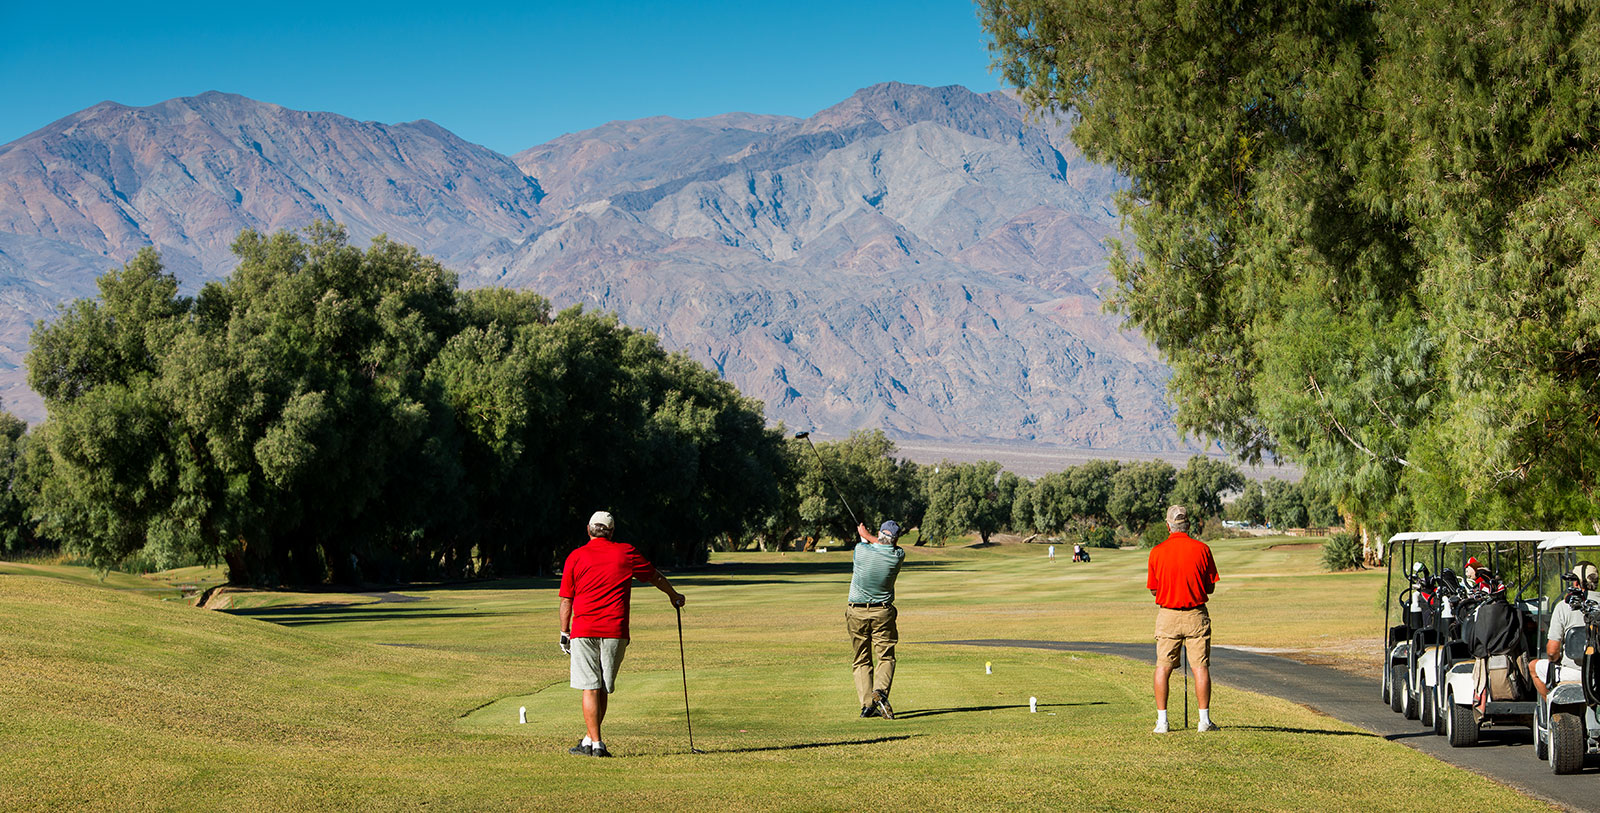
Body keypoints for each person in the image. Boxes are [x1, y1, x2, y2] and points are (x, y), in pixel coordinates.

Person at [558, 510, 686, 757]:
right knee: (601, 687)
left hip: (583, 630)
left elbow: (566, 599)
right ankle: (591, 741)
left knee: (591, 687)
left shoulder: (576, 556)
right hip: (615, 631)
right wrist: (673, 595)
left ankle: (596, 744)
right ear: (612, 531)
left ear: (588, 530)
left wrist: (564, 632)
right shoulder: (626, 552)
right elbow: (654, 577)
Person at [1146, 505, 1220, 733]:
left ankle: (1162, 723)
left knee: (1163, 667)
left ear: (1168, 526)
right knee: (1200, 667)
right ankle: (1204, 722)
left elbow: (1153, 590)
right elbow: (1210, 587)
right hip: (1196, 615)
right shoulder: (1202, 549)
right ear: (1188, 526)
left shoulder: (1157, 552)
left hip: (1167, 615)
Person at [848, 519, 906, 719]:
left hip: (856, 611)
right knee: (886, 656)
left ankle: (867, 705)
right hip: (882, 612)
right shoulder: (898, 556)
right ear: (896, 539)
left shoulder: (861, 551)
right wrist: (867, 535)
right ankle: (879, 692)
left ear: (880, 533)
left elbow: (867, 543)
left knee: (861, 658)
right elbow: (884, 545)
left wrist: (863, 534)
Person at [1530, 562, 1598, 698]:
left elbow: (1552, 652)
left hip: (1575, 672)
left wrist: (1557, 658)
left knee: (1533, 666)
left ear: (1576, 583)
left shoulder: (1564, 606)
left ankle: (1551, 708)